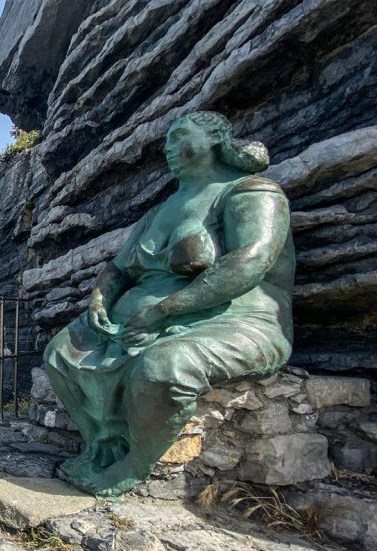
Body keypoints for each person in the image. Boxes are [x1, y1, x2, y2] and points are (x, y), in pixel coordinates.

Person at [43, 111, 295, 496]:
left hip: (235, 320)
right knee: (60, 351)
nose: (169, 146)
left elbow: (250, 260)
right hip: (138, 321)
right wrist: (100, 297)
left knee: (165, 367)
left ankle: (133, 464)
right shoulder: (158, 211)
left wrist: (165, 309)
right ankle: (102, 446)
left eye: (180, 136)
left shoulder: (251, 192)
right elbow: (118, 268)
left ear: (216, 139)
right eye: (167, 140)